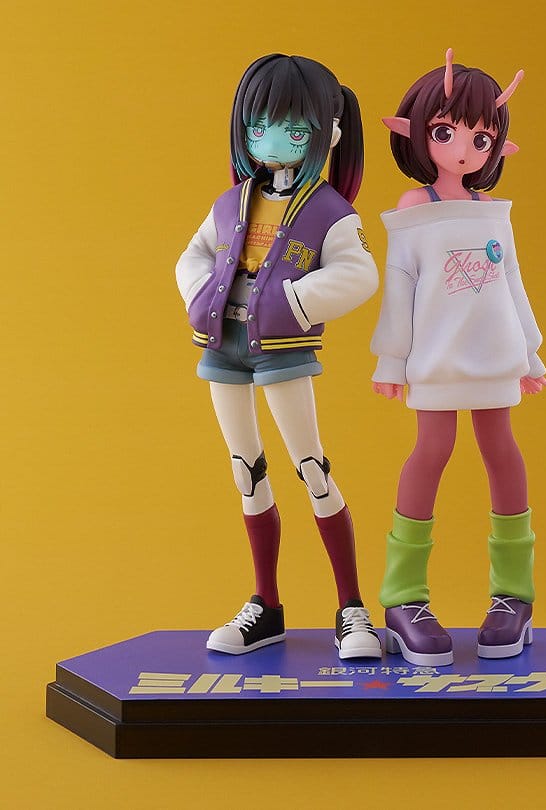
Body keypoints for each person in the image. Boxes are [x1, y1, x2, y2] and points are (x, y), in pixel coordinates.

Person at [176, 54, 381, 659]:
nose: (270, 141)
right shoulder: (231, 203)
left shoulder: (329, 212)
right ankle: (265, 603)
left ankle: (351, 608)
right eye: (258, 126)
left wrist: (294, 300)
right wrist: (202, 293)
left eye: (293, 130)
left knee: (312, 468)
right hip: (225, 347)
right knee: (247, 470)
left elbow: (359, 273)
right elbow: (193, 255)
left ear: (329, 133)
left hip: (284, 350)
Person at [372, 49, 546, 665]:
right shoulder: (413, 209)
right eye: (446, 133)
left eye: (482, 138)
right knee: (432, 451)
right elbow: (400, 289)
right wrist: (390, 360)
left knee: (502, 451)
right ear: (418, 133)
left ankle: (514, 596)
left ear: (497, 146)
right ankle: (403, 598)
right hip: (437, 357)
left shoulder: (493, 213)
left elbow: (513, 284)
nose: (465, 150)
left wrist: (530, 354)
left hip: (495, 354)